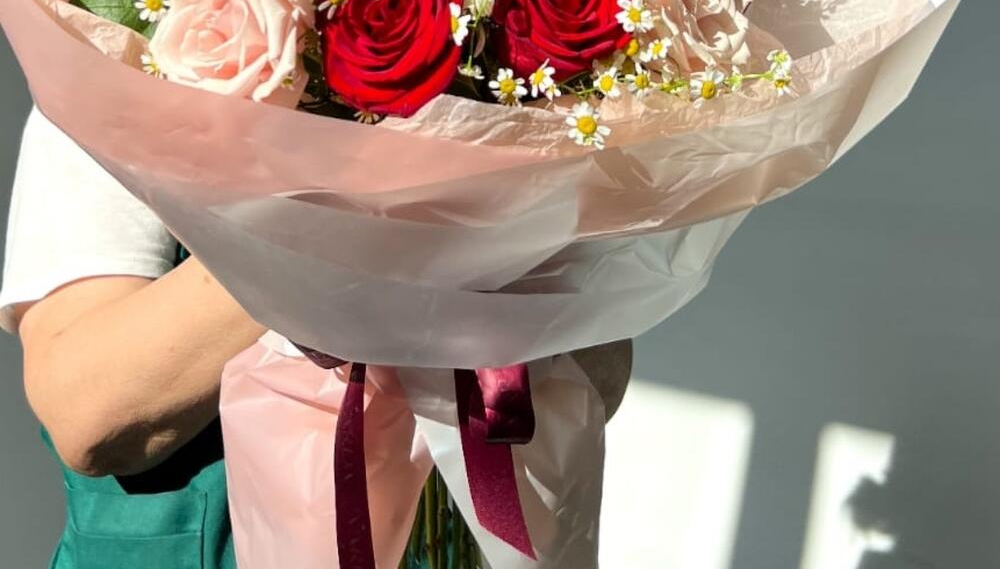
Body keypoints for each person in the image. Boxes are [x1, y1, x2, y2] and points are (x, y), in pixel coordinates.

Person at [2, 105, 632, 567]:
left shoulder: (528, 93)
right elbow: (88, 414)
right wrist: (344, 214)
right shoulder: (116, 71)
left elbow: (597, 385)